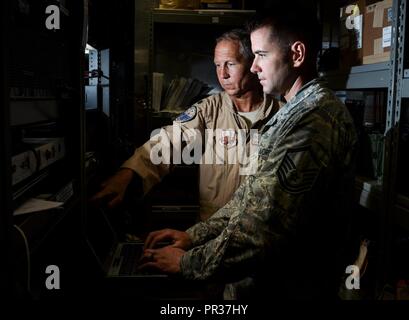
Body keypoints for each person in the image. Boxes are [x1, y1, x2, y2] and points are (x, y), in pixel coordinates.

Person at [140, 5, 358, 300]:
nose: (254, 67)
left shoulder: (314, 119)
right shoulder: (294, 113)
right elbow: (250, 200)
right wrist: (195, 236)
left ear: (296, 54)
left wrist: (187, 262)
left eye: (261, 55)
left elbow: (262, 229)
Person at [90, 29, 280, 221]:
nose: (222, 74)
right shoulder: (209, 110)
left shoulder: (281, 113)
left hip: (259, 230)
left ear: (252, 64)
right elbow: (168, 141)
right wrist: (129, 173)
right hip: (211, 228)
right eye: (217, 65)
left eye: (230, 64)